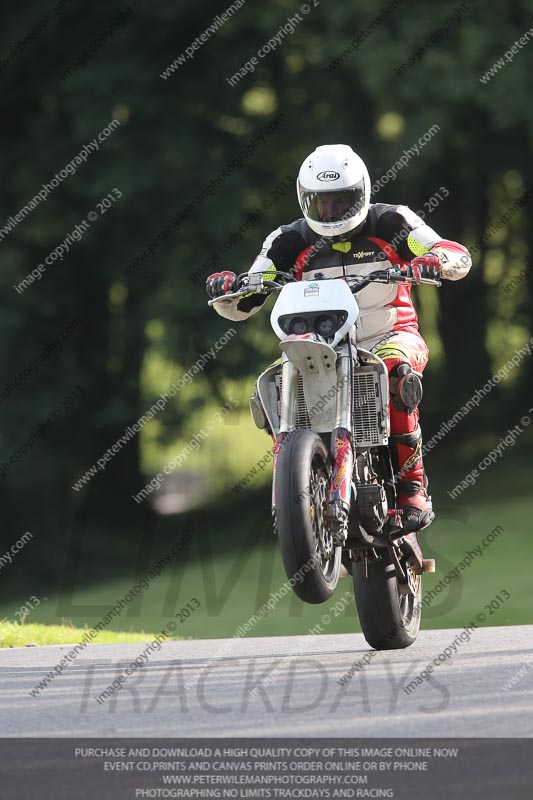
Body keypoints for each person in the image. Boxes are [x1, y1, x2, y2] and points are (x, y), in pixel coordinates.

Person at [206, 144, 471, 532]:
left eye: (340, 201)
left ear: (361, 193)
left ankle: (413, 487)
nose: (330, 211)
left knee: (395, 373)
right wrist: (229, 288)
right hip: (317, 347)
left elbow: (450, 252)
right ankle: (301, 481)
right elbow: (250, 294)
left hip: (391, 335)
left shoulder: (392, 223)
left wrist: (436, 259)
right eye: (320, 203)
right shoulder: (288, 241)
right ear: (304, 200)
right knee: (279, 385)